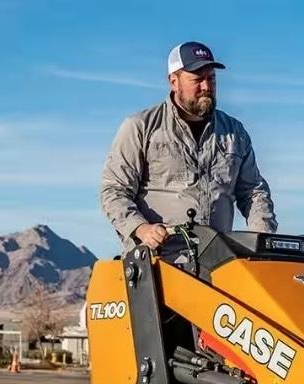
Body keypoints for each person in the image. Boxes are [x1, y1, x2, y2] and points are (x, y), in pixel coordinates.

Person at [100, 41, 277, 255]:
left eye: (211, 78)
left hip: (218, 261)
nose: (206, 87)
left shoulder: (234, 132)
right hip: (159, 262)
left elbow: (253, 192)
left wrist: (263, 240)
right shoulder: (140, 127)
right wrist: (141, 228)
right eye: (197, 79)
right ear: (173, 81)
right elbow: (114, 191)